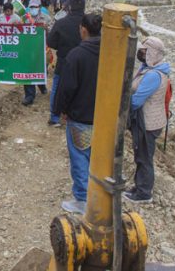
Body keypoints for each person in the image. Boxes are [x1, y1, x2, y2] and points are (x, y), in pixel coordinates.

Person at [54, 13, 102, 215]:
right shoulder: (110, 53)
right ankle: (99, 196)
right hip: (104, 118)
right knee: (99, 159)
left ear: (83, 29)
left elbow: (66, 88)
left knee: (80, 158)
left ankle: (82, 200)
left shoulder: (76, 55)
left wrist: (61, 109)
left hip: (80, 117)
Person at [124, 37, 170, 204]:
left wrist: (123, 103)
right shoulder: (148, 69)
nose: (141, 54)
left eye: (144, 51)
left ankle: (144, 193)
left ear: (153, 54)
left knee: (144, 157)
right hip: (148, 120)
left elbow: (137, 101)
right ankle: (139, 187)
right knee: (141, 155)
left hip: (148, 123)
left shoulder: (153, 76)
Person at [46, 0, 85, 127]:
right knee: (82, 89)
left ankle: (54, 117)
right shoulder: (89, 23)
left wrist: (61, 46)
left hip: (64, 60)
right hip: (84, 62)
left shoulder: (61, 23)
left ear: (70, 8)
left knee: (57, 88)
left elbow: (51, 42)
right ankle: (76, 117)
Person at [22, 0, 50, 106]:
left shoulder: (46, 18)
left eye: (35, 7)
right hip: (28, 49)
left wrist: (46, 29)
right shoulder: (25, 18)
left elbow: (52, 34)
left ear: (40, 7)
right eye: (31, 7)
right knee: (28, 70)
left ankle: (41, 85)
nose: (33, 8)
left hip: (42, 49)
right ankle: (29, 95)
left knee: (42, 70)